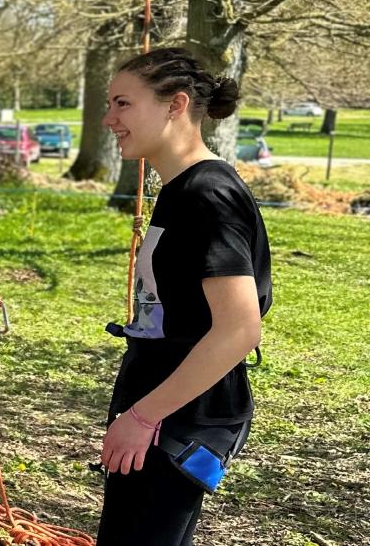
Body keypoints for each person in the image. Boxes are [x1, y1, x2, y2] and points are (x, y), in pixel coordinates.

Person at [97, 48, 272, 546]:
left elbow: (239, 329)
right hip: (159, 402)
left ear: (175, 105)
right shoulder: (180, 188)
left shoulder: (207, 194)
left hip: (179, 414)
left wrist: (143, 417)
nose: (109, 119)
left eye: (123, 104)